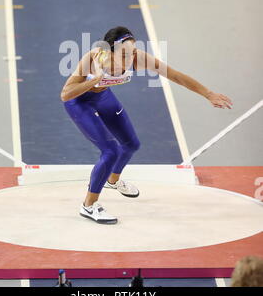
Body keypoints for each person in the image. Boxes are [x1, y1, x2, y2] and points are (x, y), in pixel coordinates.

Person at [61, 26, 233, 224]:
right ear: (110, 51)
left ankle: (112, 181)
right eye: (124, 54)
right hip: (79, 102)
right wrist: (95, 81)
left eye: (132, 51)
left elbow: (174, 75)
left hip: (103, 97)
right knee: (111, 152)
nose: (129, 58)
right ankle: (89, 206)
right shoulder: (93, 59)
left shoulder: (138, 58)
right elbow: (66, 94)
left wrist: (208, 94)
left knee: (131, 145)